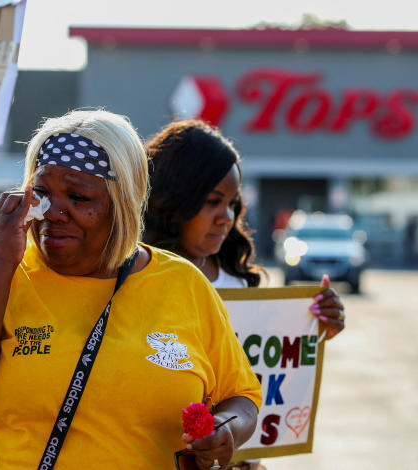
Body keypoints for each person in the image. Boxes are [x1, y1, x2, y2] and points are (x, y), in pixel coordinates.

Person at [0, 110, 263, 470]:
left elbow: (241, 396)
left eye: (78, 198)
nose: (54, 212)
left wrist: (227, 430)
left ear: (124, 205)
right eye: (44, 193)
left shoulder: (184, 283)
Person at [144, 119, 346, 469]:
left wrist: (310, 332)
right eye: (212, 201)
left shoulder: (238, 282)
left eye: (233, 204)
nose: (226, 217)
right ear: (173, 200)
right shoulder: (131, 278)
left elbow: (261, 380)